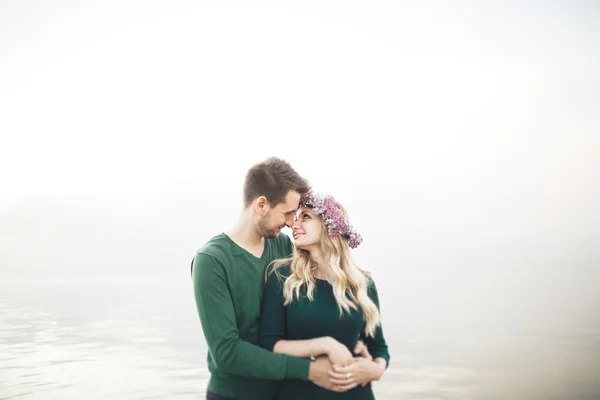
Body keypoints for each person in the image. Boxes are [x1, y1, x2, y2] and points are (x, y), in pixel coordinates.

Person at [191, 157, 369, 400]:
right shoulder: (211, 260)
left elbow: (307, 308)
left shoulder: (283, 246)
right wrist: (309, 371)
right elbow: (227, 353)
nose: (290, 223)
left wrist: (347, 342)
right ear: (261, 205)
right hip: (234, 395)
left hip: (285, 391)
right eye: (287, 213)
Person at [259, 190, 390, 399]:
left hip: (355, 393)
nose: (294, 224)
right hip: (298, 393)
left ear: (330, 227)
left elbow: (378, 347)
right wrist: (325, 344)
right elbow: (269, 344)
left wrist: (378, 368)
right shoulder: (283, 277)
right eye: (296, 217)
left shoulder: (362, 284)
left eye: (306, 217)